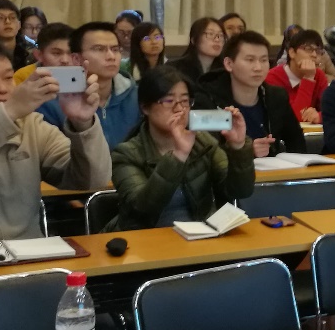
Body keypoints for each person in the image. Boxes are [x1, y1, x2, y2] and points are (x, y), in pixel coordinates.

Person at [0, 37, 110, 245]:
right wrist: (9, 111)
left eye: (8, 77)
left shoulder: (31, 126)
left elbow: (93, 180)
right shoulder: (14, 113)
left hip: (29, 252)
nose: (1, 88)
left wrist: (82, 124)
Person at [109, 66, 254, 230]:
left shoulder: (203, 142)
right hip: (144, 238)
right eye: (168, 101)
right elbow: (143, 207)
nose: (179, 109)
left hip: (199, 234)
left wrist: (238, 147)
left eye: (185, 101)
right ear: (145, 108)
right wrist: (179, 155)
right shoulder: (126, 154)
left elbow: (240, 191)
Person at [198, 30, 304, 157]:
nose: (258, 67)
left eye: (263, 60)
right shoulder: (206, 99)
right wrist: (246, 151)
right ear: (229, 64)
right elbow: (204, 154)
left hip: (272, 168)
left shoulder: (276, 97)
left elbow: (297, 143)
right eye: (250, 60)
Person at [36, 21, 140, 150]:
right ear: (76, 59)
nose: (111, 56)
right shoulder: (50, 103)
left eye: (115, 49)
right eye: (99, 49)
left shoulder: (137, 96)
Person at [265, 29, 329, 123]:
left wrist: (319, 116)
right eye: (308, 49)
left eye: (318, 51)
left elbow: (334, 111)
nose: (314, 55)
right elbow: (293, 119)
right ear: (292, 53)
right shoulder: (272, 78)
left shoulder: (319, 75)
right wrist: (308, 78)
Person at [169, 17, 226, 84]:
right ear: (193, 40)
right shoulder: (174, 68)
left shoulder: (226, 70)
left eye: (221, 35)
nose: (217, 39)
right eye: (210, 34)